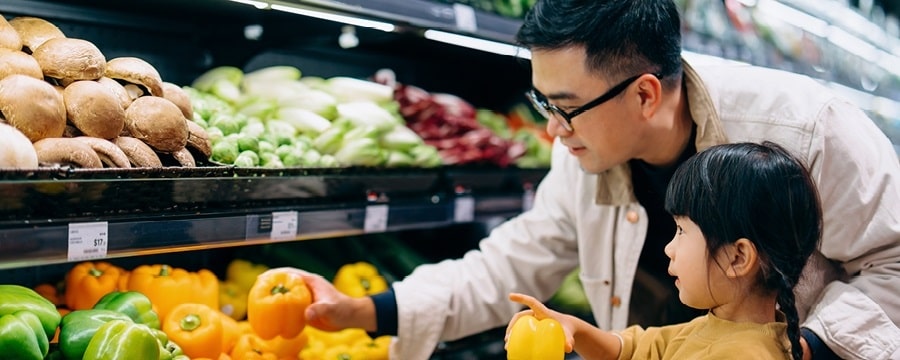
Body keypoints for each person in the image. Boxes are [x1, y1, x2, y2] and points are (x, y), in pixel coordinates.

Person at [287, 0, 900, 359]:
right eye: (542, 104)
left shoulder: (807, 127)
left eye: (564, 105)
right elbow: (508, 267)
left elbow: (893, 262)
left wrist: (804, 349)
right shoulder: (585, 148)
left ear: (644, 93)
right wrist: (360, 311)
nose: (552, 129)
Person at [506, 141, 823, 360]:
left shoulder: (741, 353)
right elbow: (632, 349)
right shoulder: (719, 328)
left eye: (683, 230)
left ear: (738, 257)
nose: (669, 248)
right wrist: (573, 327)